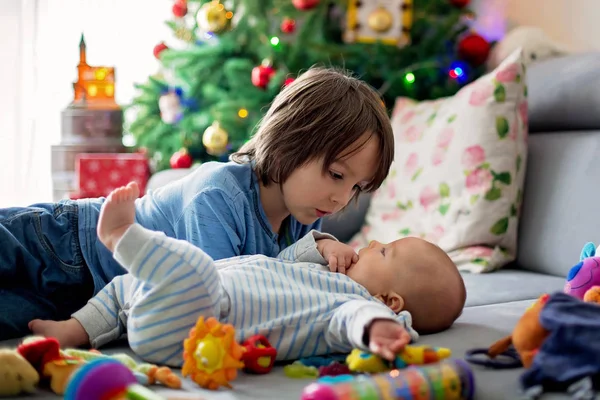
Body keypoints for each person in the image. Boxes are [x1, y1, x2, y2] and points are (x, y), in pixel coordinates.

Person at [0, 67, 395, 340]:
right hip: (66, 243)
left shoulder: (303, 222)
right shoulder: (219, 193)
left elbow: (280, 286)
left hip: (84, 300)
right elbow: (220, 299)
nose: (341, 198)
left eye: (356, 188)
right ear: (292, 140)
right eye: (337, 176)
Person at [31, 182, 466, 366]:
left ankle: (123, 236)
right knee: (126, 286)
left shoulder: (353, 305)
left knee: (193, 268)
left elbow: (353, 323)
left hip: (197, 327)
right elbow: (288, 260)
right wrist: (321, 244)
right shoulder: (328, 275)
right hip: (175, 304)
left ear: (390, 301)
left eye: (384, 252)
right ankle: (71, 330)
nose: (371, 245)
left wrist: (378, 330)